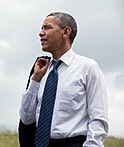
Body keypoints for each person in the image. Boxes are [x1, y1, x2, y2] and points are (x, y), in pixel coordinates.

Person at [19, 12, 108, 147]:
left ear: (66, 31)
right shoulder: (41, 69)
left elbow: (98, 118)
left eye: (47, 28)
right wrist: (35, 80)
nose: (40, 33)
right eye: (41, 28)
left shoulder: (87, 68)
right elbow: (26, 119)